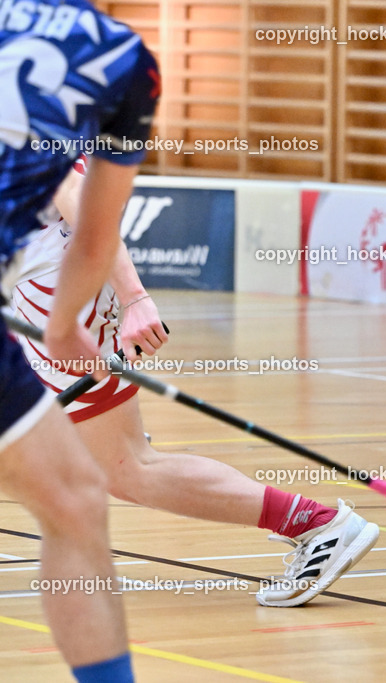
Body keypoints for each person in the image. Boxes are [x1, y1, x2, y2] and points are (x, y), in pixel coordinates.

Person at [6, 157, 380, 608]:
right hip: (30, 289)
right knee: (116, 465)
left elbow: (80, 200)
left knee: (127, 467)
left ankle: (317, 525)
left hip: (58, 291)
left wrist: (134, 297)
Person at [0, 2, 159, 680]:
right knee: (76, 501)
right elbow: (96, 228)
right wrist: (65, 328)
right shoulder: (126, 60)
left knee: (78, 494)